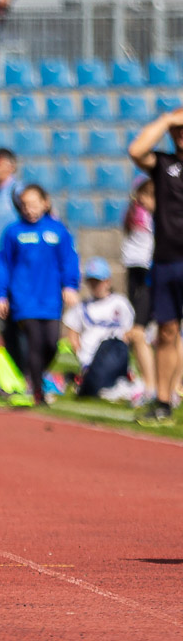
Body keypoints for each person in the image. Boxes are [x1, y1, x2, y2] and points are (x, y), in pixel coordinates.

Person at [0, 185, 78, 407]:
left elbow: (68, 259)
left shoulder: (58, 230)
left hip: (50, 298)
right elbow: (3, 264)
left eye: (34, 204)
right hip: (24, 299)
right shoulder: (13, 232)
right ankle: (38, 391)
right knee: (35, 342)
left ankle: (36, 375)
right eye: (25, 205)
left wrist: (70, 285)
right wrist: (1, 294)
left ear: (45, 203)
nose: (29, 209)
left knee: (51, 343)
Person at [128, 110, 183, 421]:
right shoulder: (163, 164)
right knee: (167, 331)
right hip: (167, 260)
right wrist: (166, 120)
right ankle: (163, 401)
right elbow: (136, 150)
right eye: (179, 129)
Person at [66, 258, 139, 400]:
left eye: (98, 281)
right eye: (92, 282)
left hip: (114, 353)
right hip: (90, 359)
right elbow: (72, 332)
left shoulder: (120, 302)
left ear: (107, 281)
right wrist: (80, 353)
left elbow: (130, 331)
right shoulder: (83, 306)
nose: (95, 286)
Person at [122, 179, 159, 394]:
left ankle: (162, 387)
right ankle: (154, 387)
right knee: (141, 332)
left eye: (141, 196)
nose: (138, 201)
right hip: (146, 275)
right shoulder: (139, 214)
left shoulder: (164, 218)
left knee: (146, 331)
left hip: (154, 276)